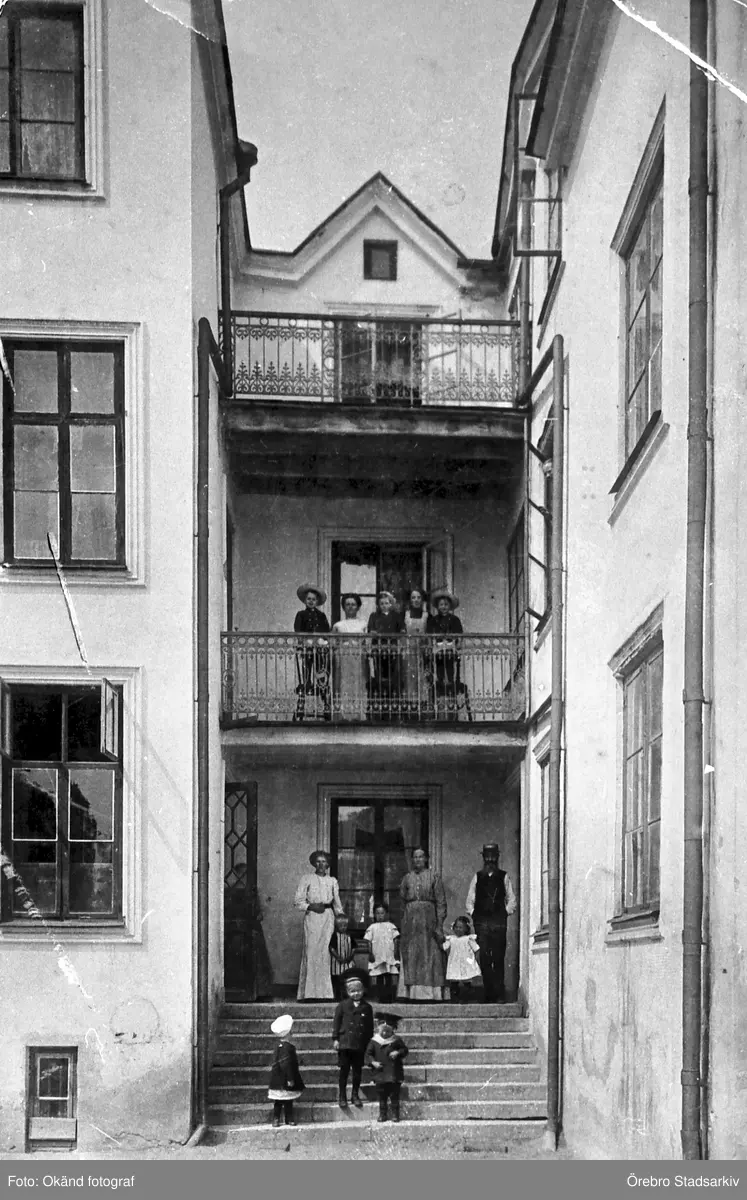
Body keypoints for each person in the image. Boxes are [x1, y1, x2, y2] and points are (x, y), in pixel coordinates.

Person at [466, 843, 517, 1003]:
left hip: (499, 924)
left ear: (497, 857)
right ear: (483, 857)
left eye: (493, 856)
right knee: (485, 958)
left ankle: (499, 994)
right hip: (482, 924)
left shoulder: (504, 877)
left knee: (498, 957)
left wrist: (503, 913)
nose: (490, 859)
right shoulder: (477, 877)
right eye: (487, 856)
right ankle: (489, 994)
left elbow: (512, 900)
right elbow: (469, 901)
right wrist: (475, 915)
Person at [397, 847, 447, 1001]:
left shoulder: (434, 877)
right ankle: (411, 993)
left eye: (421, 857)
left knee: (430, 953)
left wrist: (439, 925)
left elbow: (441, 903)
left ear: (426, 859)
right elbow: (402, 901)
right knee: (412, 953)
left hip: (429, 920)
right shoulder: (407, 878)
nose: (418, 860)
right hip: (411, 921)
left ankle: (431, 994)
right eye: (415, 857)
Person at [294, 850, 343, 1000]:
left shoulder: (332, 881)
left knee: (325, 953)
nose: (321, 864)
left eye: (324, 861)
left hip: (328, 918)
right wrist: (311, 906)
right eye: (318, 861)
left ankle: (325, 994)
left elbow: (337, 903)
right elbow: (298, 901)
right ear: (314, 863)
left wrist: (341, 918)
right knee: (312, 952)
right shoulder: (307, 879)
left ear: (328, 864)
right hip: (313, 917)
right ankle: (309, 994)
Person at [332, 971, 374, 1110]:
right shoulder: (342, 1006)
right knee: (344, 1071)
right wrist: (336, 1039)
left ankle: (355, 1095)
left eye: (358, 991)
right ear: (347, 992)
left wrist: (369, 1044)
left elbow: (369, 1027)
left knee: (357, 1071)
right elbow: (336, 1023)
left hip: (359, 1044)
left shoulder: (367, 1007)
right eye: (352, 991)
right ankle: (342, 1096)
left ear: (363, 990)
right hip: (345, 1043)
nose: (356, 994)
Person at [294, 584, 331, 720]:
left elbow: (326, 631)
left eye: (313, 599)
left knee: (321, 672)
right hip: (307, 648)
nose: (311, 601)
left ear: (317, 601)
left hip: (320, 649)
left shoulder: (321, 615)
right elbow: (298, 631)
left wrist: (322, 640)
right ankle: (306, 687)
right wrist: (304, 641)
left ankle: (325, 700)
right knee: (306, 671)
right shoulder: (301, 615)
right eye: (309, 599)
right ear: (305, 600)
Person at [365, 1011, 409, 1123]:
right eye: (383, 1031)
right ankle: (382, 1114)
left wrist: (398, 1052)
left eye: (388, 1031)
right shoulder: (374, 1041)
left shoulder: (396, 1040)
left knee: (394, 1096)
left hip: (394, 1073)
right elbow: (368, 1054)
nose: (385, 1033)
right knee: (382, 1096)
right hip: (380, 1073)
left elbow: (405, 1050)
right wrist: (373, 1062)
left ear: (393, 1030)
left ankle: (395, 1114)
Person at [367, 591, 404, 719]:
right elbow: (371, 630)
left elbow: (402, 629)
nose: (384, 605)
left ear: (391, 604)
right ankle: (380, 706)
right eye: (381, 603)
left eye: (386, 603)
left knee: (393, 677)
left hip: (393, 650)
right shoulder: (374, 616)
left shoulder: (396, 616)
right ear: (378, 605)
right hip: (378, 650)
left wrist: (400, 632)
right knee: (379, 676)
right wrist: (374, 633)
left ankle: (393, 707)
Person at [426, 590, 464, 717]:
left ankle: (452, 707)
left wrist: (458, 645)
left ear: (450, 606)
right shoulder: (433, 620)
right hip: (438, 653)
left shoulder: (455, 620)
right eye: (441, 605)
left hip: (451, 653)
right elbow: (429, 636)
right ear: (437, 606)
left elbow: (459, 635)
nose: (444, 607)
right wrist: (431, 647)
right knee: (439, 677)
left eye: (446, 605)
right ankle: (440, 707)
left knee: (451, 677)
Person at [331, 593, 368, 720]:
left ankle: (358, 714)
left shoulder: (363, 624)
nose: (350, 607)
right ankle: (343, 714)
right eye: (347, 604)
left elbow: (366, 644)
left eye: (353, 604)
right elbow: (333, 643)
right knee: (344, 683)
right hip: (343, 658)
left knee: (358, 682)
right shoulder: (338, 625)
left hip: (358, 657)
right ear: (343, 607)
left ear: (358, 607)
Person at [267, 1014, 305, 1127]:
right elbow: (287, 1064)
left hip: (277, 1079)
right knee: (288, 1101)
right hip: (285, 1079)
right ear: (288, 1034)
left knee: (278, 1101)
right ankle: (288, 1118)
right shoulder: (289, 1048)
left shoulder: (277, 1047)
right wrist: (290, 1078)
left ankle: (276, 1119)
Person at [364, 902, 400, 1004]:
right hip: (378, 954)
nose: (380, 916)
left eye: (382, 913)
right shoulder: (372, 927)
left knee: (388, 975)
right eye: (377, 913)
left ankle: (389, 997)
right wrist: (370, 953)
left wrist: (395, 952)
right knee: (379, 975)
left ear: (386, 914)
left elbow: (396, 940)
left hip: (388, 954)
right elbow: (368, 941)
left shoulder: (391, 926)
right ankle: (381, 997)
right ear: (374, 914)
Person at [402, 587, 429, 718]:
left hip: (422, 650)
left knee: (422, 678)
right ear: (410, 600)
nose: (416, 600)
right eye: (413, 597)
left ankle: (422, 708)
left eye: (419, 597)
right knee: (409, 678)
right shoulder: (405, 614)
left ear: (422, 599)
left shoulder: (426, 615)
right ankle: (409, 709)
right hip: (408, 650)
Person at [443, 916, 481, 1004]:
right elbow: (444, 947)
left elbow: (476, 949)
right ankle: (455, 998)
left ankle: (467, 998)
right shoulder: (451, 939)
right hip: (455, 963)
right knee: (454, 981)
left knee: (466, 980)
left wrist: (474, 961)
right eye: (456, 927)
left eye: (461, 927)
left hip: (465, 963)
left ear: (466, 929)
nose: (458, 929)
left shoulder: (468, 939)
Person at [329, 912, 356, 1000]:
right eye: (341, 926)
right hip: (337, 962)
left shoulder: (349, 936)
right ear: (337, 926)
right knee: (337, 980)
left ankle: (346, 995)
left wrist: (350, 956)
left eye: (345, 925)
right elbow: (332, 948)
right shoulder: (335, 936)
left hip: (347, 961)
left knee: (347, 979)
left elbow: (354, 947)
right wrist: (337, 957)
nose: (343, 927)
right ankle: (337, 996)